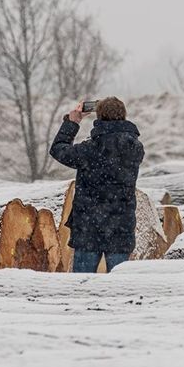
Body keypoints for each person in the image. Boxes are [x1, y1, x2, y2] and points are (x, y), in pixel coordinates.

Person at [50, 97, 145, 274]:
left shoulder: (90, 149)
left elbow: (58, 149)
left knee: (81, 284)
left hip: (88, 227)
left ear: (99, 116)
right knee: (119, 284)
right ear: (124, 115)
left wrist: (72, 122)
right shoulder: (135, 147)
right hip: (121, 227)